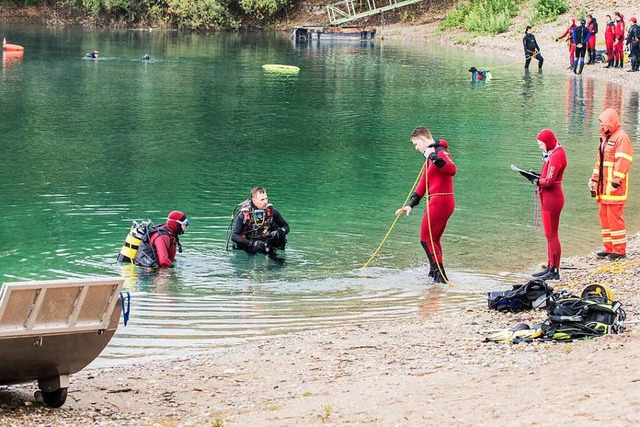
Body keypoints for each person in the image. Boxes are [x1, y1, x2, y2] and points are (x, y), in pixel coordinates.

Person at [396, 127, 456, 284]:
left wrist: (434, 157)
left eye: (416, 144)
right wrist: (410, 205)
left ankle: (440, 278)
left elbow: (451, 170)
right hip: (441, 201)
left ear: (422, 139)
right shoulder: (430, 157)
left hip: (440, 201)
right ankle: (434, 273)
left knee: (425, 239)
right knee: (433, 239)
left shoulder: (439, 152)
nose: (416, 148)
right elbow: (423, 183)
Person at [589, 108, 633, 261]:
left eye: (603, 122)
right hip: (603, 188)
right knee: (604, 217)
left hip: (614, 188)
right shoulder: (605, 138)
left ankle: (620, 251)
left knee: (614, 218)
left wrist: (615, 182)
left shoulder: (622, 138)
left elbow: (623, 161)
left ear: (610, 121)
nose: (602, 125)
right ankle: (608, 248)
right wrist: (593, 180)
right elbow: (599, 163)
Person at [529, 129, 567, 281]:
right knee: (549, 235)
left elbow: (549, 181)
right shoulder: (554, 152)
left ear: (548, 142)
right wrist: (537, 176)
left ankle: (554, 270)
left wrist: (535, 180)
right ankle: (551, 266)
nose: (540, 147)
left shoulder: (557, 155)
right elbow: (548, 176)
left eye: (541, 144)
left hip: (552, 198)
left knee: (552, 235)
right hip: (550, 197)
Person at [231, 187, 289, 256]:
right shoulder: (245, 213)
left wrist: (280, 232)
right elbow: (234, 236)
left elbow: (286, 226)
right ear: (254, 200)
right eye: (262, 200)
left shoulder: (271, 211)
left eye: (266, 198)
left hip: (267, 242)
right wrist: (251, 244)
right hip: (250, 246)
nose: (266, 202)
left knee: (281, 238)